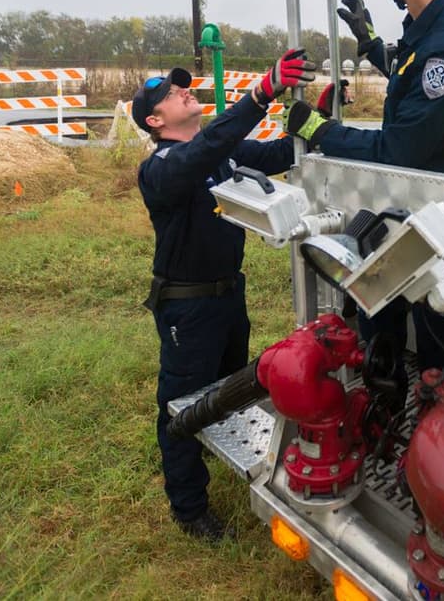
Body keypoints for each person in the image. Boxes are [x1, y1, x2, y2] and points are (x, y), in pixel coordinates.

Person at [285, 0, 444, 380]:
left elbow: (401, 148)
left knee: (435, 332)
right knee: (381, 318)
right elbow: (407, 75)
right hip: (408, 203)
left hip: (434, 211)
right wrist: (372, 42)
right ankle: (387, 405)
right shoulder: (427, 28)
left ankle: (437, 422)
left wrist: (321, 130)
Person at [134, 49, 313, 542]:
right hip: (187, 308)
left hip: (228, 296)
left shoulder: (218, 154)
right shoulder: (163, 168)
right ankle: (189, 509)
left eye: (182, 87)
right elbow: (206, 149)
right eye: (172, 95)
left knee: (230, 393)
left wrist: (317, 119)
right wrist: (258, 95)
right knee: (182, 406)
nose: (185, 92)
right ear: (155, 120)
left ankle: (232, 464)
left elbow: (279, 156)